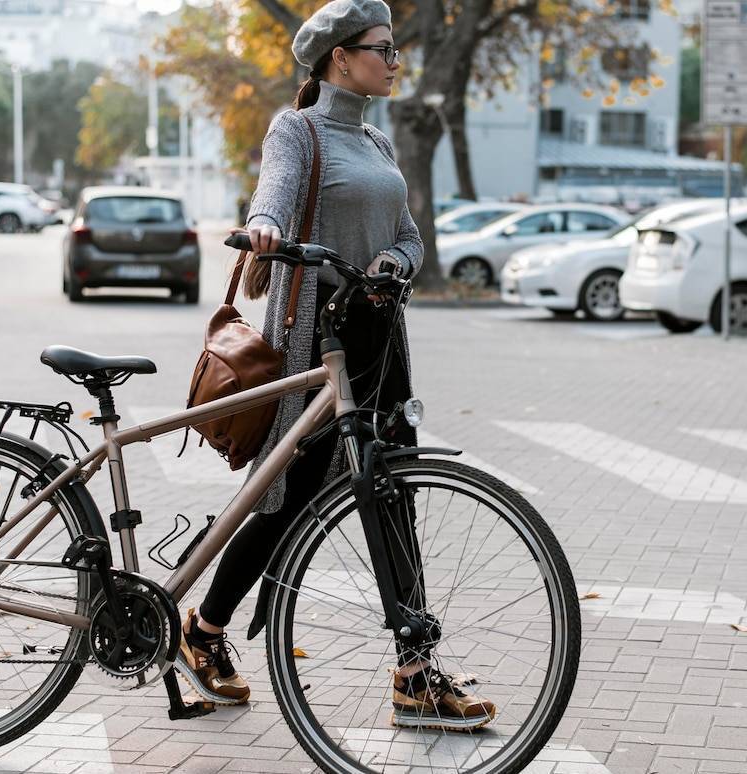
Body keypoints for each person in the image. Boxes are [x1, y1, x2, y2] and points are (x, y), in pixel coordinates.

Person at [174, 0, 496, 731]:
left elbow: (412, 237)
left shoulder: (380, 144)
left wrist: (394, 259)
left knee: (395, 495)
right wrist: (262, 229)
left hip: (379, 342)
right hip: (314, 340)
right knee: (285, 503)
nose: (394, 59)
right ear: (340, 58)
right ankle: (205, 628)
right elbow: (275, 196)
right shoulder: (299, 129)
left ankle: (415, 674)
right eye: (383, 48)